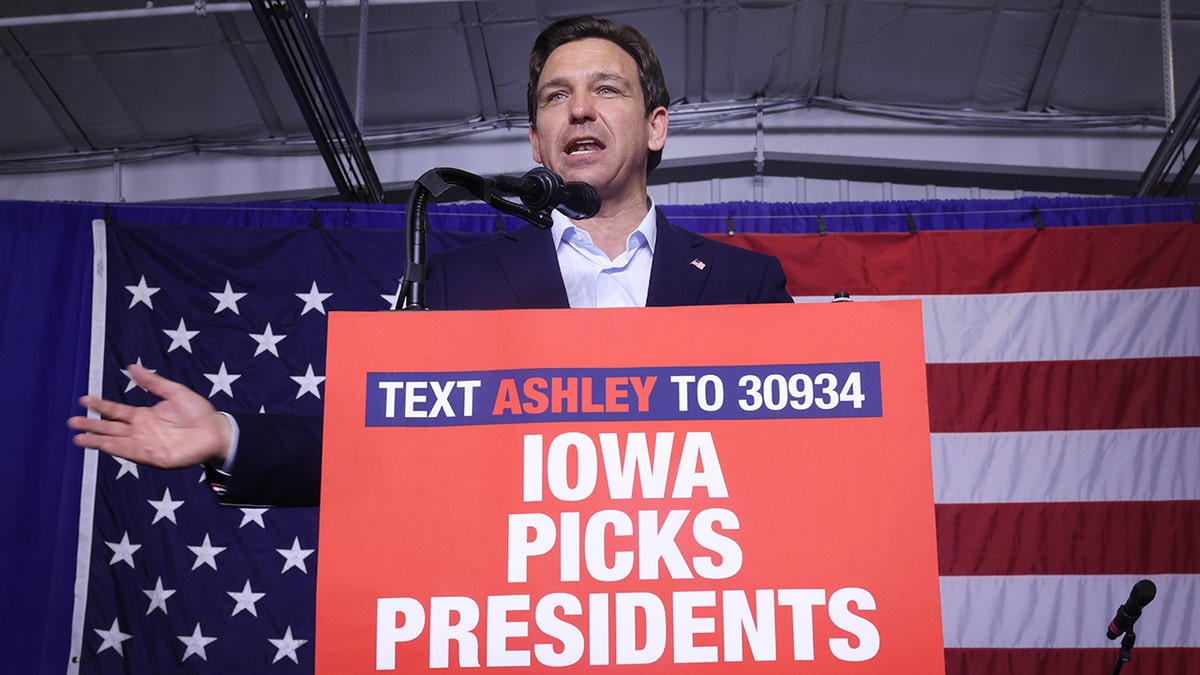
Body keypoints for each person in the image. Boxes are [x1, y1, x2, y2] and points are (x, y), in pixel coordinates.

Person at [68, 15, 792, 506]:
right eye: (556, 97)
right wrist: (228, 435)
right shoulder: (462, 284)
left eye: (607, 89)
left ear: (656, 125)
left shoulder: (743, 285)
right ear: (536, 144)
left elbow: (802, 455)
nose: (579, 110)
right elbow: (375, 441)